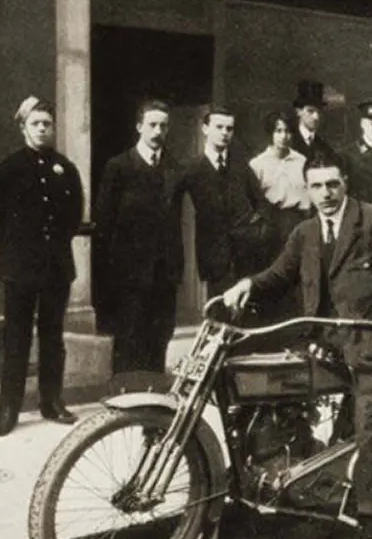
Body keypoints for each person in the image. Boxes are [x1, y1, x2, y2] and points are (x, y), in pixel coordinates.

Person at [220, 151, 372, 539]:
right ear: (307, 188)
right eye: (316, 186)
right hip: (330, 346)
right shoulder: (305, 232)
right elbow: (279, 275)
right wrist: (246, 284)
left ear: (346, 183)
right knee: (278, 398)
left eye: (332, 184)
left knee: (370, 435)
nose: (325, 194)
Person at [0, 96, 84, 436]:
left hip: (56, 267)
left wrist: (51, 248)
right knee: (16, 339)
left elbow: (73, 217)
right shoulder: (8, 169)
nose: (42, 129)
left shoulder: (65, 168)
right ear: (23, 128)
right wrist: (18, 253)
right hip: (19, 269)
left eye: (47, 124)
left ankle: (51, 401)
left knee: (52, 336)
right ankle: (8, 408)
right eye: (36, 124)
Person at [94, 99, 184, 375]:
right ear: (138, 127)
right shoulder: (119, 167)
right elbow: (104, 224)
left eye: (163, 126)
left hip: (164, 274)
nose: (158, 131)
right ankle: (124, 404)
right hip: (129, 277)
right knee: (130, 340)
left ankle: (153, 410)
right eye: (152, 125)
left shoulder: (173, 168)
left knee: (159, 340)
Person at [180, 106, 272, 296]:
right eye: (219, 127)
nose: (224, 133)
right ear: (205, 129)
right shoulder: (192, 169)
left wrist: (256, 232)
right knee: (219, 312)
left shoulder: (241, 165)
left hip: (245, 253)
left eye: (229, 129)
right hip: (213, 254)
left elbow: (261, 203)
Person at [249, 110, 312, 241]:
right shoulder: (257, 164)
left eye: (288, 131)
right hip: (270, 225)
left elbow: (308, 196)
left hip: (298, 222)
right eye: (278, 131)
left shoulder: (302, 161)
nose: (284, 136)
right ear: (271, 133)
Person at [289, 80, 334, 158]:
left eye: (319, 111)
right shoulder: (287, 142)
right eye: (310, 111)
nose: (316, 117)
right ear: (298, 111)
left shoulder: (325, 148)